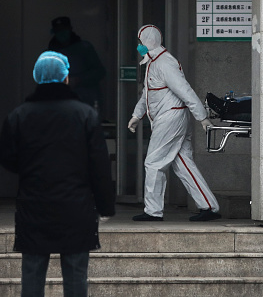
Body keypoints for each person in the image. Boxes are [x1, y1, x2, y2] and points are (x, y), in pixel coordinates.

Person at [0, 51, 115, 297]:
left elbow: (8, 158)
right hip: (76, 206)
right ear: (65, 78)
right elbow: (100, 166)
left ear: (37, 78)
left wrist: (31, 167)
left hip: (34, 204)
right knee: (75, 275)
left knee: (32, 271)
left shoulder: (19, 115)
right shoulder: (85, 115)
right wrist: (106, 206)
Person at [128, 24, 219, 222]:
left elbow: (185, 90)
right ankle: (209, 206)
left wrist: (202, 117)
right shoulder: (153, 62)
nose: (138, 46)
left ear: (147, 42)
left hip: (170, 118)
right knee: (183, 163)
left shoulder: (164, 63)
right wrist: (136, 115)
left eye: (139, 42)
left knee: (153, 162)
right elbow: (147, 94)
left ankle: (152, 211)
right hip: (170, 118)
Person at [48, 16, 106, 110]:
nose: (62, 33)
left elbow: (99, 72)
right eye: (58, 31)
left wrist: (78, 80)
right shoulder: (50, 53)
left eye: (64, 30)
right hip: (60, 101)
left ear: (70, 29)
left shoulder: (85, 48)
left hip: (85, 100)